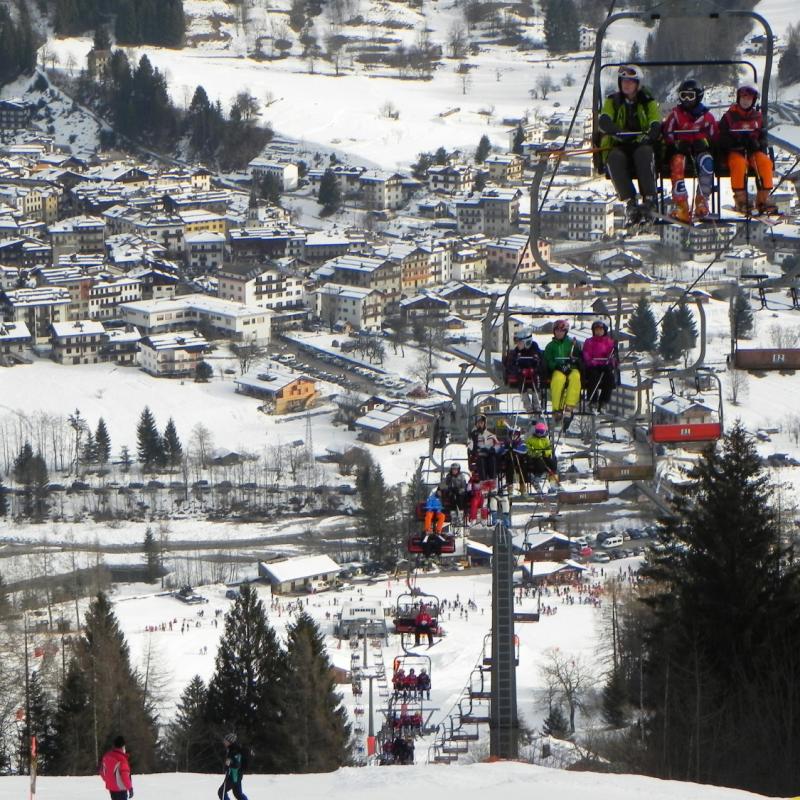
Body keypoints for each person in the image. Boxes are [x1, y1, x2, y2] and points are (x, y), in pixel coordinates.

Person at [597, 65, 662, 226]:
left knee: (644, 154)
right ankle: (630, 202)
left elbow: (655, 123)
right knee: (614, 158)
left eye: (631, 82)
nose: (626, 85)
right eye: (624, 81)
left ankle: (649, 199)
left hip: (641, 143)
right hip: (621, 143)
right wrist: (618, 132)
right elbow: (604, 120)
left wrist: (648, 137)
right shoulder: (613, 101)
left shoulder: (648, 102)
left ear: (637, 84)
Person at [662, 79, 718, 222]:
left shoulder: (706, 117)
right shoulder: (675, 115)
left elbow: (714, 136)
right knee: (677, 163)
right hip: (682, 150)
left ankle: (702, 200)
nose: (686, 100)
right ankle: (681, 205)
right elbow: (668, 133)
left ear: (698, 96)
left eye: (690, 96)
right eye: (683, 96)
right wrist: (677, 143)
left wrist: (704, 142)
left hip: (700, 151)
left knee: (707, 162)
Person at [719, 82, 778, 215]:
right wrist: (736, 141)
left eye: (749, 99)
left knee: (765, 162)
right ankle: (741, 200)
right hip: (736, 151)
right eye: (743, 98)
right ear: (738, 98)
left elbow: (763, 137)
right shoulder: (729, 117)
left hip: (753, 151)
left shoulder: (757, 117)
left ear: (753, 100)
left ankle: (763, 198)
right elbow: (722, 137)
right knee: (739, 164)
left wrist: (757, 144)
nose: (746, 101)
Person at [543, 320, 581, 431]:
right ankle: (557, 409)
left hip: (571, 368)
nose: (559, 333)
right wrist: (557, 366)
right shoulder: (550, 346)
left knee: (575, 377)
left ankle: (569, 407)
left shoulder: (571, 343)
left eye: (562, 331)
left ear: (565, 332)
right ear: (554, 332)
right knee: (558, 380)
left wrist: (572, 362)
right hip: (558, 369)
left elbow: (577, 357)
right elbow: (548, 360)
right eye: (557, 331)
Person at [503, 328, 544, 410]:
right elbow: (510, 364)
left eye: (520, 342)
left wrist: (535, 369)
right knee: (520, 377)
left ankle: (536, 402)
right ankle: (526, 402)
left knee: (536, 378)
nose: (518, 344)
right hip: (522, 372)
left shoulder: (535, 349)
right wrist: (519, 370)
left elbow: (541, 363)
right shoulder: (516, 351)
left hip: (534, 372)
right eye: (517, 342)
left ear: (527, 342)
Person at [581, 321, 618, 412]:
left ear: (604, 331)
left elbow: (613, 356)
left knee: (609, 378)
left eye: (600, 330)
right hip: (593, 366)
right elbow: (586, 354)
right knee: (594, 377)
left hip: (605, 366)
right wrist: (593, 363)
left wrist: (611, 363)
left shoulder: (609, 342)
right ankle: (593, 401)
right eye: (596, 330)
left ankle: (604, 402)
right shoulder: (589, 342)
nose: (598, 332)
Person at [525, 421, 558, 494]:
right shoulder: (531, 440)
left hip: (544, 456)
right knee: (540, 464)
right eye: (538, 431)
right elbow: (528, 449)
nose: (539, 433)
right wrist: (535, 453)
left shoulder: (546, 440)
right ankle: (537, 479)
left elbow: (549, 449)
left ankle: (553, 483)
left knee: (553, 462)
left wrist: (545, 452)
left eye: (541, 432)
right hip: (535, 457)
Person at [99, 736, 133, 800]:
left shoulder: (106, 757)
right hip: (121, 789)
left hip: (111, 788)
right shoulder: (122, 759)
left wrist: (109, 780)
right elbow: (125, 776)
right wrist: (130, 788)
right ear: (123, 746)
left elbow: (102, 772)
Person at [468, 414, 500, 481]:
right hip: (479, 454)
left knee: (493, 459)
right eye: (478, 423)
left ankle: (492, 480)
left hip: (489, 453)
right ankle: (483, 481)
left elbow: (497, 444)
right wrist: (475, 447)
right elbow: (470, 446)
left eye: (481, 423)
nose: (480, 424)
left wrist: (493, 449)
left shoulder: (490, 433)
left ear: (485, 423)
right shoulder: (473, 434)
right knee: (481, 461)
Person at [218, 733, 248, 800]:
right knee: (238, 794)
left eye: (226, 741)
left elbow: (236, 764)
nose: (224, 742)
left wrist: (229, 764)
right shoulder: (232, 749)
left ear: (230, 742)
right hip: (237, 776)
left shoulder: (235, 750)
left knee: (221, 792)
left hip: (234, 775)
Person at [501, 426, 528, 496]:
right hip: (510, 461)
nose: (514, 436)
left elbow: (524, 450)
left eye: (516, 434)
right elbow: (501, 450)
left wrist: (514, 449)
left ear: (518, 434)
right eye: (512, 434)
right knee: (509, 465)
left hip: (519, 461)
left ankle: (523, 486)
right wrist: (507, 448)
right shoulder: (507, 442)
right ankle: (510, 486)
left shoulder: (521, 442)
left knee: (524, 466)